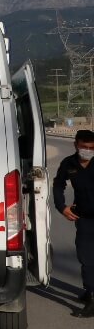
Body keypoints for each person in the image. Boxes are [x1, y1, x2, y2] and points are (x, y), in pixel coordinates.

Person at [53, 129, 94, 317]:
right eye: (84, 147)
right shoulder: (69, 163)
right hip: (84, 218)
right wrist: (62, 207)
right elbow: (58, 184)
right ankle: (90, 291)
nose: (88, 151)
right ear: (76, 145)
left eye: (92, 148)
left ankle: (92, 299)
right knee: (85, 257)